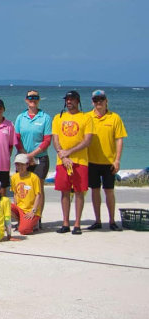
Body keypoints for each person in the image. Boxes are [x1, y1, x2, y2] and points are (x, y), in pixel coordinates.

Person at [52, 90, 92, 234]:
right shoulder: (58, 117)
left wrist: (69, 152)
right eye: (67, 99)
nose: (69, 102)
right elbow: (55, 139)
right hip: (62, 161)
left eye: (72, 99)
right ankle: (65, 223)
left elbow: (87, 141)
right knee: (64, 192)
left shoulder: (86, 117)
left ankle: (77, 224)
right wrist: (63, 156)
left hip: (80, 161)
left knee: (80, 192)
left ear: (78, 101)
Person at [85, 90, 126, 231]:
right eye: (96, 100)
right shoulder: (87, 117)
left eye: (101, 99)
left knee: (109, 191)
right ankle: (97, 221)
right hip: (91, 161)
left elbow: (119, 139)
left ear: (106, 100)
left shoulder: (115, 118)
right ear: (92, 102)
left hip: (109, 162)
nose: (99, 102)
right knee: (94, 191)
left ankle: (112, 221)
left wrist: (117, 160)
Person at [14, 91, 52, 218]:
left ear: (39, 100)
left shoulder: (45, 117)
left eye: (35, 98)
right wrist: (25, 155)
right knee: (21, 187)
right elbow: (16, 139)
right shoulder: (21, 117)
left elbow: (47, 140)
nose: (33, 100)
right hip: (22, 158)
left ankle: (37, 217)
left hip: (40, 158)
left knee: (38, 188)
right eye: (30, 97)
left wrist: (32, 155)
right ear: (26, 100)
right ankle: (21, 215)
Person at [10, 154, 43, 235]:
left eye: (22, 164)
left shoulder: (34, 177)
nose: (20, 167)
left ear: (27, 165)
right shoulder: (14, 177)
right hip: (20, 209)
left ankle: (33, 223)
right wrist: (16, 207)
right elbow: (15, 193)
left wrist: (33, 210)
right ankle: (20, 221)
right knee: (4, 204)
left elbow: (38, 195)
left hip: (31, 210)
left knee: (23, 231)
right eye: (17, 164)